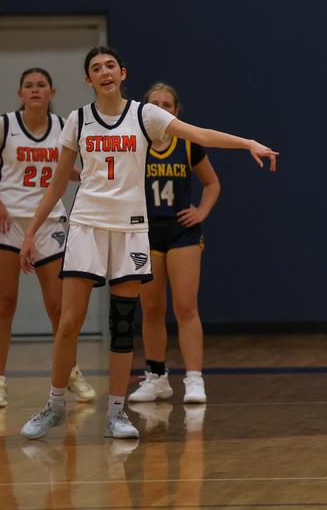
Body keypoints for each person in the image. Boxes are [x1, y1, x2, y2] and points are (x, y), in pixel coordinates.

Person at [18, 46, 278, 440]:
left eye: (110, 65)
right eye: (95, 68)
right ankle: (54, 405)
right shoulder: (78, 119)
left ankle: (116, 413)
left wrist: (247, 143)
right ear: (88, 79)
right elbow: (57, 184)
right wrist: (30, 233)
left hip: (130, 229)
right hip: (87, 225)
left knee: (123, 324)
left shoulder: (145, 115)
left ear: (122, 73)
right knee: (69, 321)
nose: (104, 71)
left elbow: (199, 134)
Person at [0, 67, 95, 408]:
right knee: (5, 303)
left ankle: (71, 372)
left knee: (59, 306)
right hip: (8, 223)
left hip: (49, 222)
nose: (35, 90)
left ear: (52, 92)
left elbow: (65, 171)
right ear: (20, 93)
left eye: (41, 85)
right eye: (29, 85)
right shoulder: (4, 125)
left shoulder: (64, 127)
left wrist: (90, 176)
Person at [129, 82, 220, 405]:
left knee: (185, 307)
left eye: (167, 104)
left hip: (182, 233)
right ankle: (156, 377)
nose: (161, 109)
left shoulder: (187, 143)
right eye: (154, 104)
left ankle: (194, 378)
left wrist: (202, 211)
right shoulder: (135, 143)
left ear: (176, 111)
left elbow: (212, 183)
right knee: (152, 309)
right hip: (145, 232)